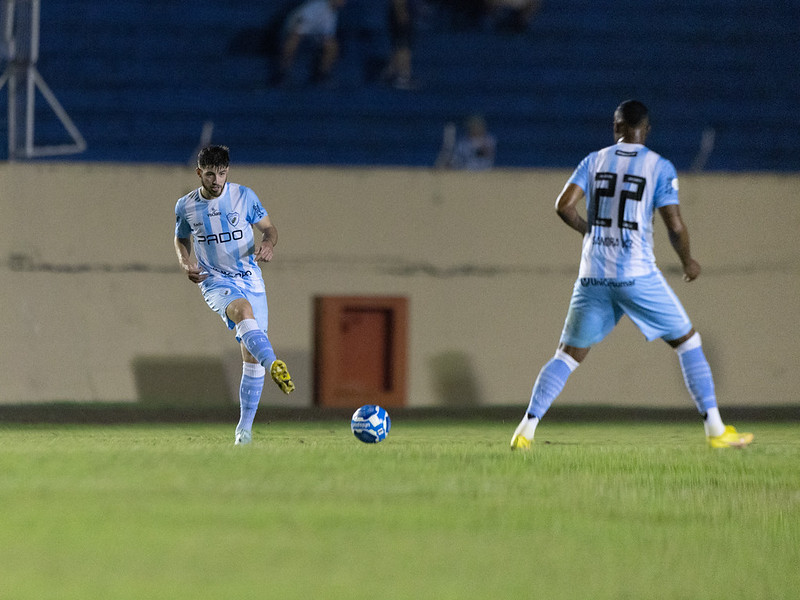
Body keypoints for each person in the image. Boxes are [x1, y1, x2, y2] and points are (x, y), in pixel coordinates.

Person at [510, 100, 753, 450]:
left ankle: (525, 430)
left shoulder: (594, 160)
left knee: (566, 355)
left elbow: (563, 206)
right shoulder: (658, 166)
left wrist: (588, 231)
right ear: (647, 129)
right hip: (636, 274)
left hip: (592, 274)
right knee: (688, 341)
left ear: (616, 127)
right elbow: (675, 224)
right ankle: (716, 431)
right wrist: (688, 261)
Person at [174, 145, 295, 446]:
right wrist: (184, 261)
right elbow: (180, 237)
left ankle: (243, 431)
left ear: (228, 171)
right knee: (242, 311)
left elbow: (269, 229)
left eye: (222, 173)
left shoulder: (244, 197)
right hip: (213, 279)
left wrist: (268, 244)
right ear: (199, 172)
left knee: (251, 357)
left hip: (251, 278)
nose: (217, 180)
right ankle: (275, 364)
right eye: (211, 174)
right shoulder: (186, 206)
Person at [273, 0, 346, 86]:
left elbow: (327, 35)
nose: (344, 2)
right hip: (292, 31)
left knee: (332, 46)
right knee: (294, 40)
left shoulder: (332, 13)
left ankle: (322, 75)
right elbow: (297, 27)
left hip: (312, 36)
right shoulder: (316, 6)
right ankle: (282, 73)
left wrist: (325, 41)